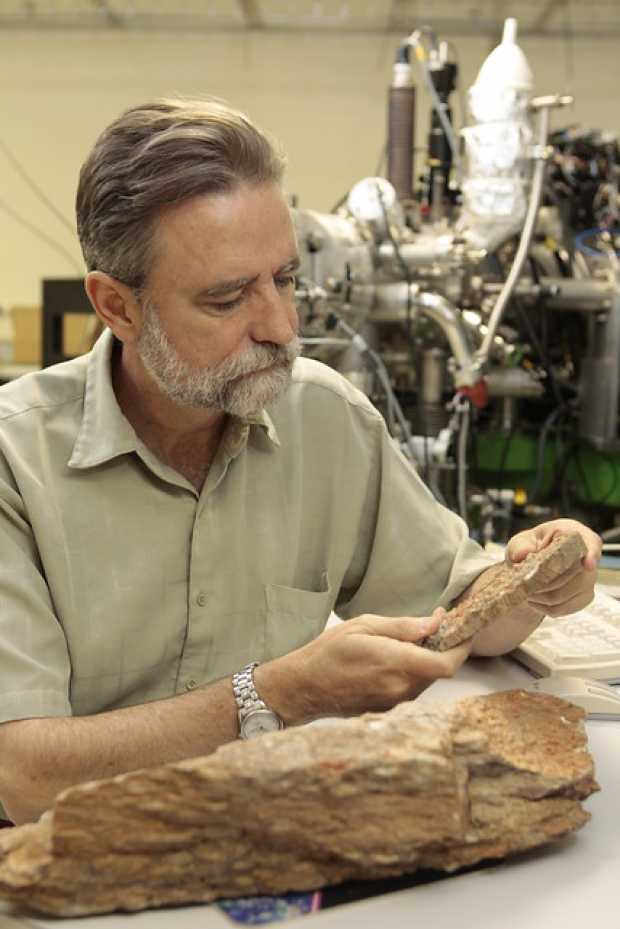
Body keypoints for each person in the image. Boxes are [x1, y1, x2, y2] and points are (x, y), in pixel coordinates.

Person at [0, 99, 601, 826]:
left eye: (285, 279)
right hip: (67, 857)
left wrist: (536, 581)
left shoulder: (324, 417)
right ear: (117, 307)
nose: (282, 328)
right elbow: (23, 776)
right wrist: (277, 693)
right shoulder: (15, 462)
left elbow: (458, 614)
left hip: (269, 839)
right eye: (228, 298)